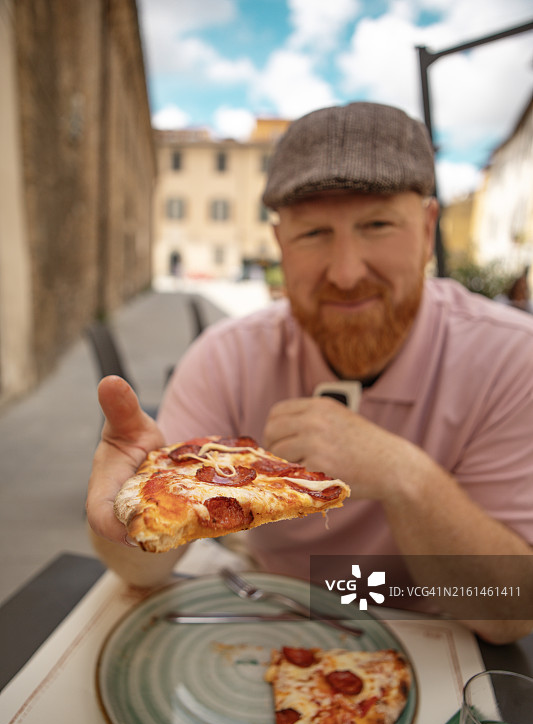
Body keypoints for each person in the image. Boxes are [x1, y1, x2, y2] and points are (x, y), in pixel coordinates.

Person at [87, 102, 533, 644]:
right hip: (270, 626)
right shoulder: (226, 356)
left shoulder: (512, 359)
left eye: (377, 225)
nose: (346, 274)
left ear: (426, 227)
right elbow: (147, 565)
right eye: (314, 234)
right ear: (280, 245)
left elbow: (510, 612)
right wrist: (122, 525)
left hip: (436, 641)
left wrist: (404, 476)